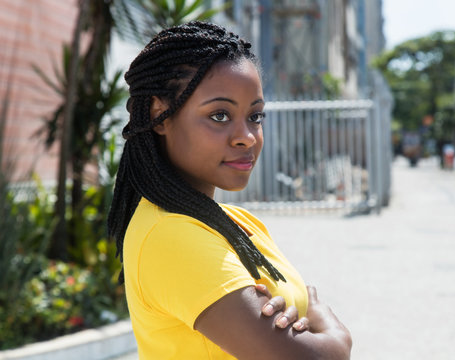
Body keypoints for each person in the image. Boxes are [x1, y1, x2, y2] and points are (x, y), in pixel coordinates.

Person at [108, 21, 351, 359]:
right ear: (160, 115)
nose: (247, 137)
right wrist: (334, 331)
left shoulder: (237, 222)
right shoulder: (170, 235)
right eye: (220, 115)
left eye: (255, 117)